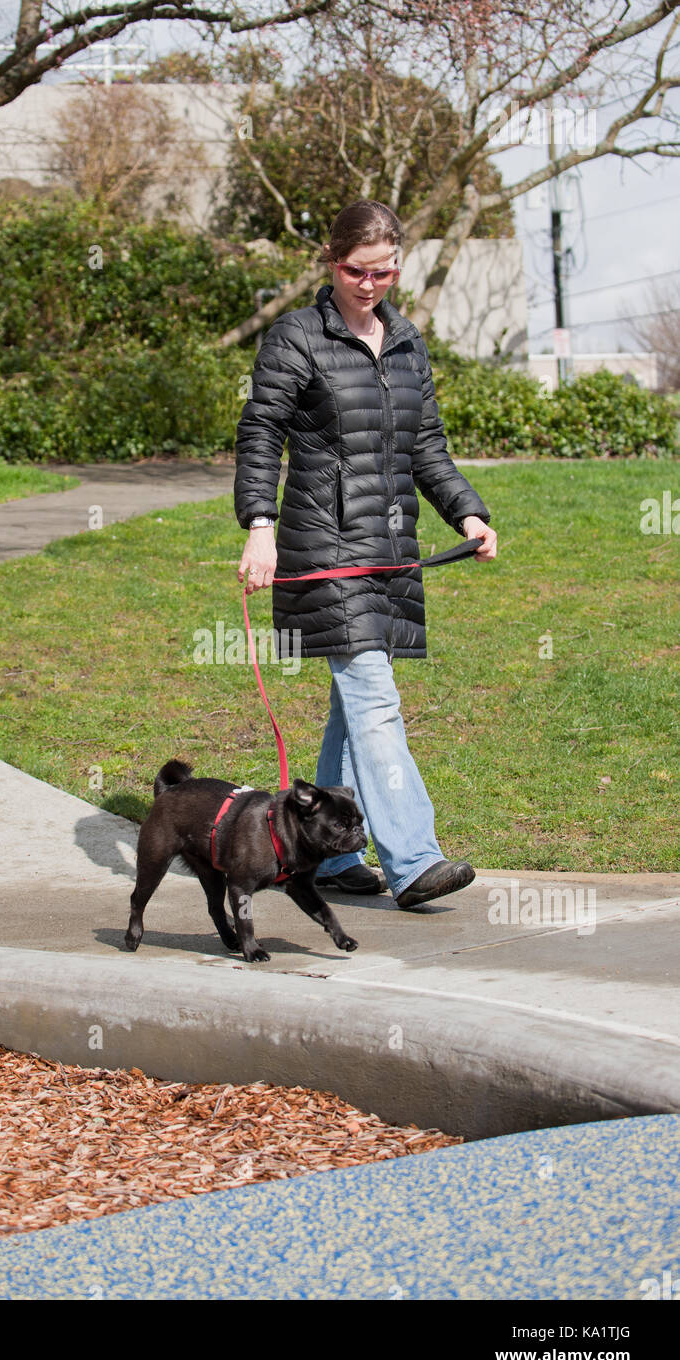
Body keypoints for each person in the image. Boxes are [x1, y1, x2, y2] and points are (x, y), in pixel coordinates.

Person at [234, 199, 497, 909]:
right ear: (331, 261)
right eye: (357, 270)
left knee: (353, 712)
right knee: (376, 702)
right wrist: (260, 523)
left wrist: (468, 512)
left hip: (391, 552)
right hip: (324, 551)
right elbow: (261, 431)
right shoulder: (297, 337)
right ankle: (413, 859)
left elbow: (426, 445)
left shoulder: (407, 342)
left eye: (384, 271)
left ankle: (326, 855)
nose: (371, 284)